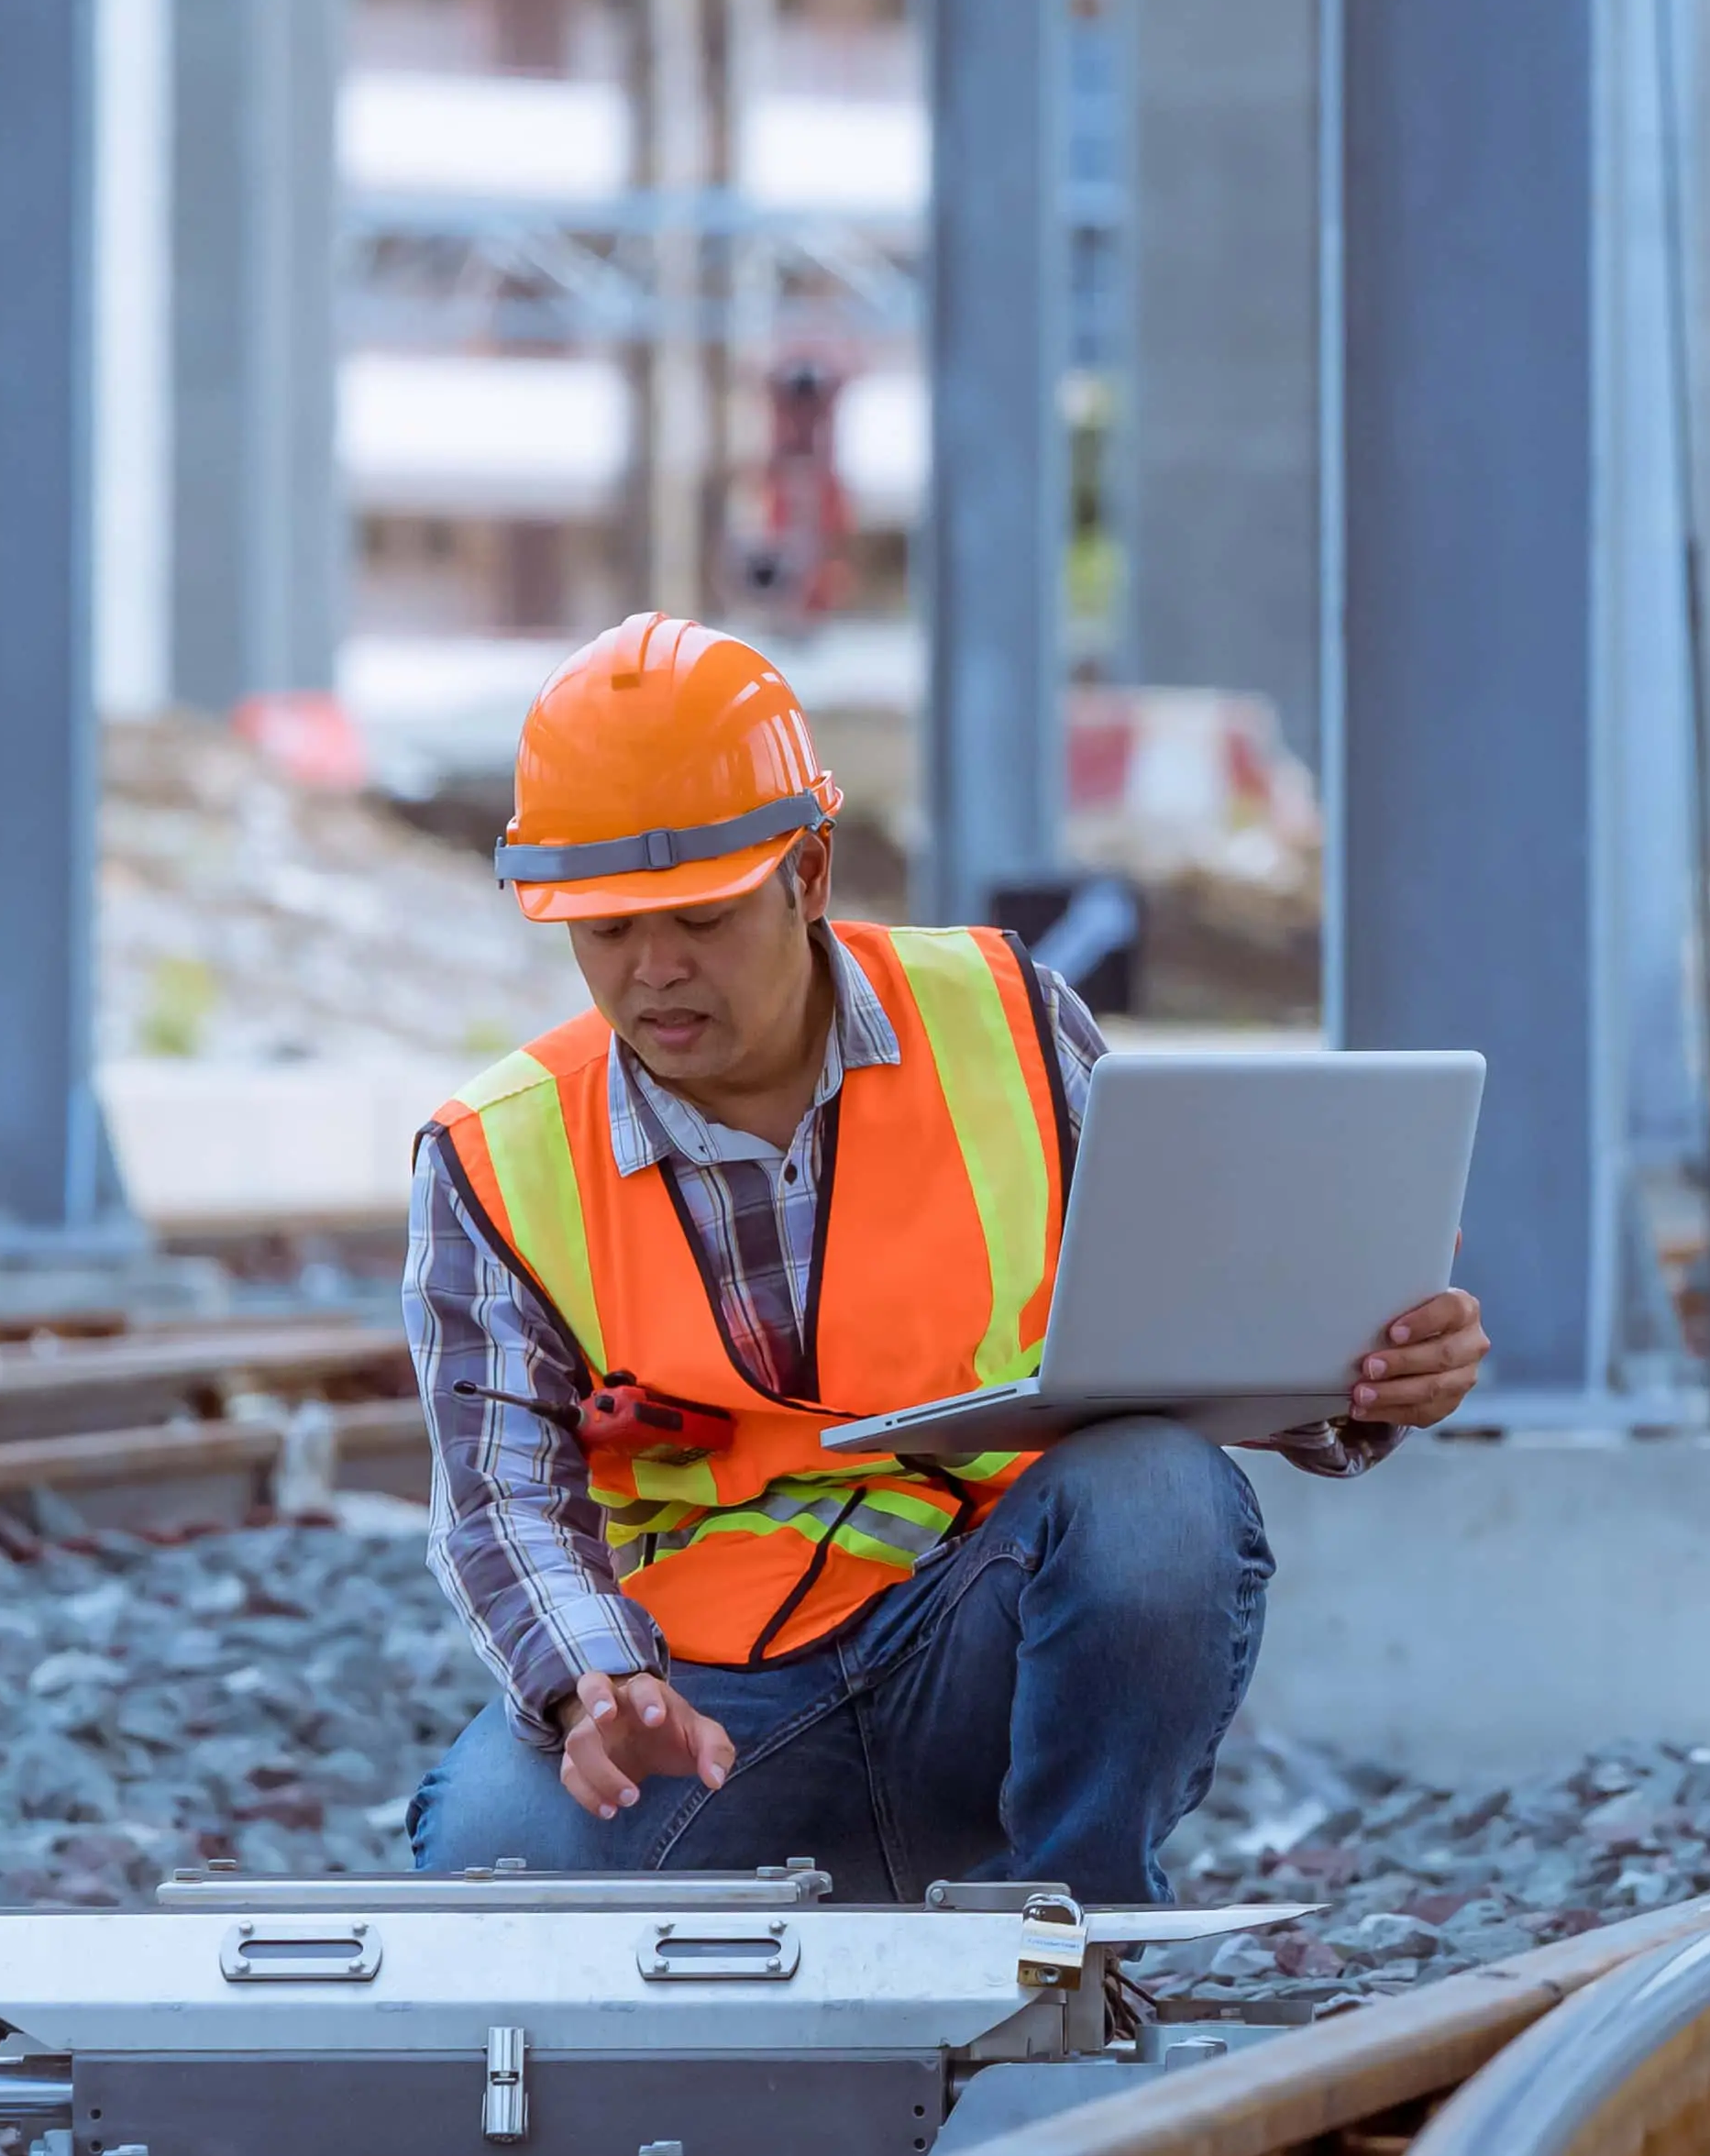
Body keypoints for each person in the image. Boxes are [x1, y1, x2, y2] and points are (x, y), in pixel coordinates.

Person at [402, 618, 1488, 1899]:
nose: (653, 973)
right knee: (489, 1853)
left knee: (1155, 1496)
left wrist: (1358, 1377)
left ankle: (1074, 1938)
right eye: (606, 933)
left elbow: (1197, 1318)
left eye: (699, 918)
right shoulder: (495, 1155)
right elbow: (501, 1499)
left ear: (808, 875)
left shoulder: (1009, 1025)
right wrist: (599, 1684)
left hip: (983, 1651)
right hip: (704, 1709)